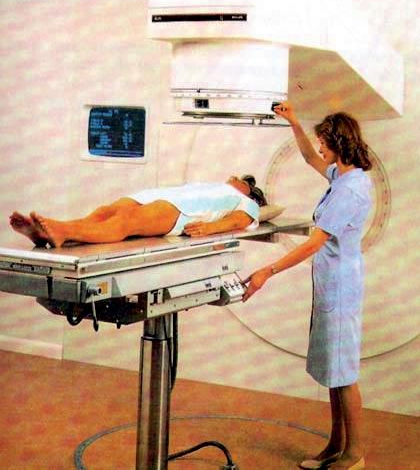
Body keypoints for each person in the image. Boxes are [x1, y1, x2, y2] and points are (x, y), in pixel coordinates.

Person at [242, 102, 371, 470]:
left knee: (344, 374)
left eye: (324, 143)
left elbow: (316, 243)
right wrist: (294, 122)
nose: (320, 149)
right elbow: (308, 158)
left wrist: (267, 271)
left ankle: (355, 454)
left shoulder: (350, 190)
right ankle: (336, 445)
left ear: (338, 144)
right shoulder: (344, 177)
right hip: (333, 282)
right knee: (334, 369)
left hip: (341, 288)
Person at [9, 175, 267, 248]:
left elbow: (240, 220)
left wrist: (210, 228)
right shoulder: (215, 185)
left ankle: (63, 232)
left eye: (242, 180)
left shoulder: (246, 201)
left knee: (126, 220)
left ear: (250, 192)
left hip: (182, 211)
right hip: (161, 196)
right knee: (105, 211)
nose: (234, 177)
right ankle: (49, 234)